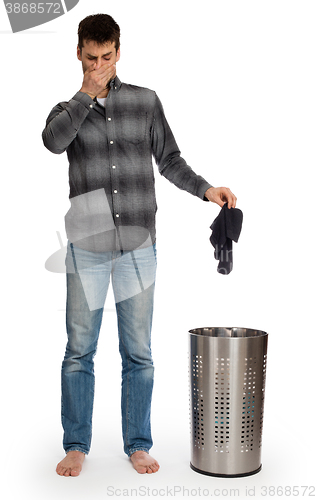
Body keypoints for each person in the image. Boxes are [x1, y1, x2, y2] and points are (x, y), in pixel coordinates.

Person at [42, 13, 237, 477]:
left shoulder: (145, 102)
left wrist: (206, 190)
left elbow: (169, 159)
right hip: (87, 246)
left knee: (139, 351)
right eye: (91, 58)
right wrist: (86, 95)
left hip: (138, 248)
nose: (99, 65)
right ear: (78, 54)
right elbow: (52, 143)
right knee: (79, 350)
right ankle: (76, 445)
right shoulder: (66, 110)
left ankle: (138, 444)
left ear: (118, 52)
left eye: (107, 57)